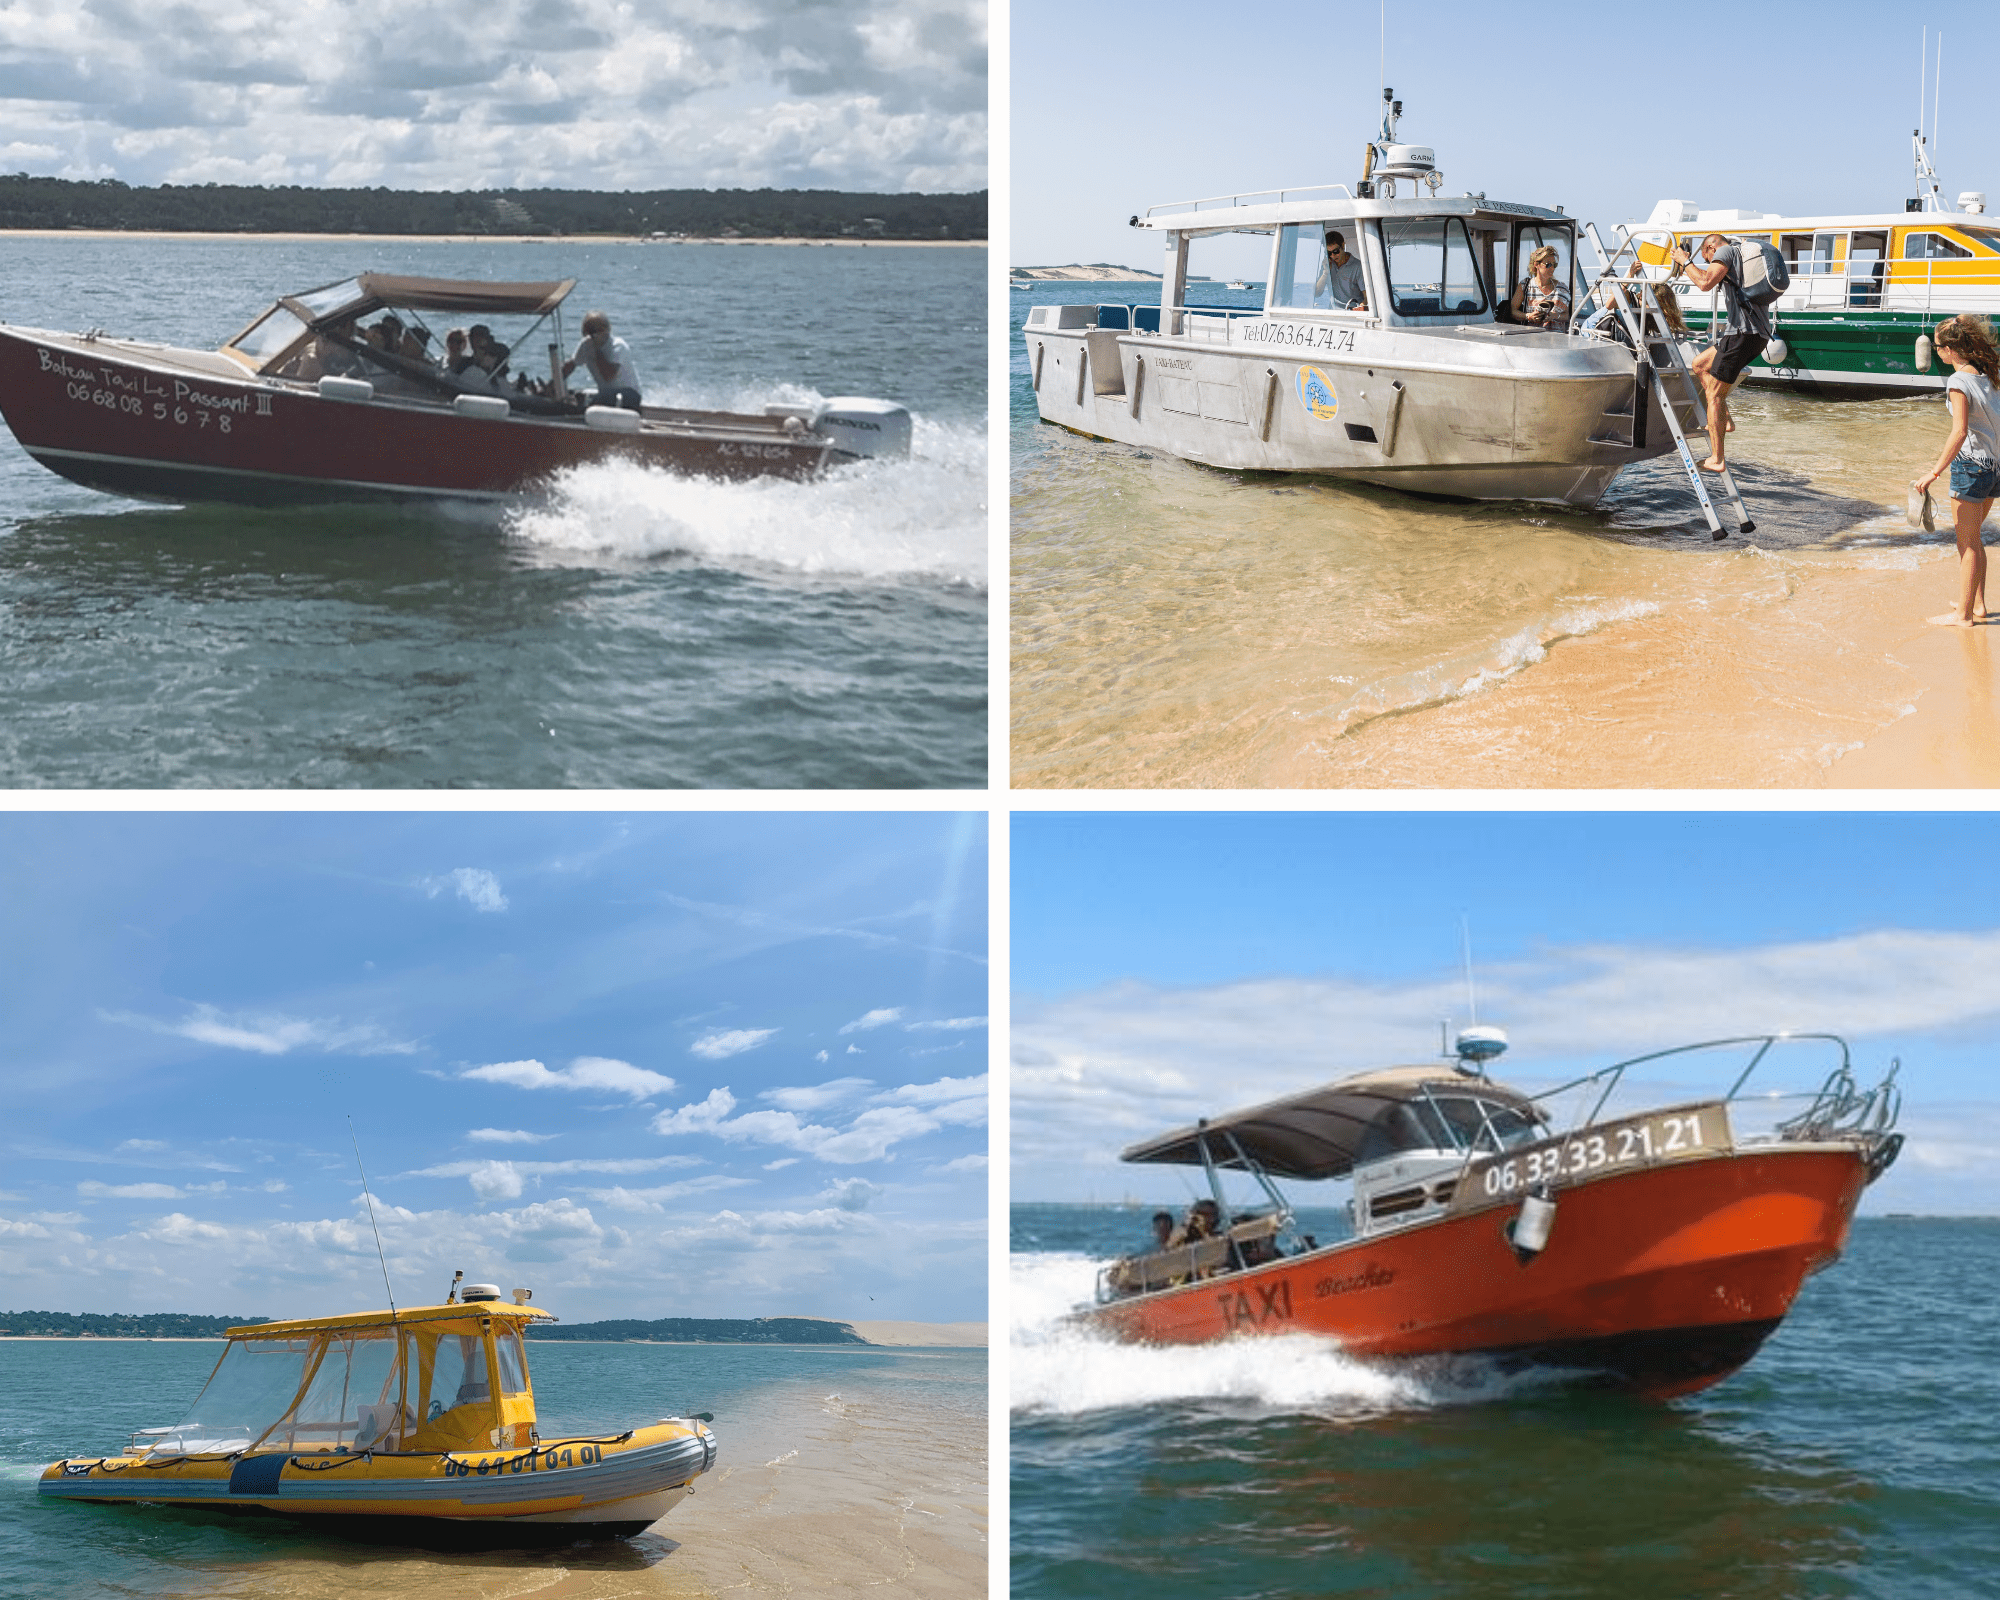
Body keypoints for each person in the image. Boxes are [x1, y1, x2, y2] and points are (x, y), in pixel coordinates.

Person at [1912, 314, 2000, 625]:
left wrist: (1933, 472)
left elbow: (1959, 431)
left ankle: (1963, 616)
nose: (1936, 352)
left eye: (1937, 347)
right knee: (1974, 538)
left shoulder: (1958, 381)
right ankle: (1977, 606)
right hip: (1994, 468)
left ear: (1950, 349)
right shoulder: (1989, 375)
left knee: (1966, 542)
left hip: (1972, 467)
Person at [1672, 232, 1770, 473]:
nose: (1708, 263)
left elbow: (1705, 282)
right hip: (1752, 334)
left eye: (1707, 259)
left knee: (1714, 396)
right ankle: (1725, 421)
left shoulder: (1724, 251)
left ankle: (1717, 458)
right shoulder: (1739, 254)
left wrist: (1685, 262)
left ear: (1709, 248)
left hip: (1742, 334)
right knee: (1699, 364)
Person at [563, 310, 644, 409]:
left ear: (607, 330)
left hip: (629, 395)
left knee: (598, 400)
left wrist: (597, 349)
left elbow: (608, 375)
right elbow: (571, 365)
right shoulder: (586, 345)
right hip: (607, 395)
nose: (592, 337)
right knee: (579, 396)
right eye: (589, 333)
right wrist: (554, 382)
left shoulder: (618, 346)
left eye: (596, 332)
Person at [1511, 244, 1570, 331]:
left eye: (1555, 265)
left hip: (1557, 340)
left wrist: (1554, 316)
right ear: (1536, 264)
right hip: (1532, 337)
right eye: (1548, 265)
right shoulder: (1525, 285)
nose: (1552, 268)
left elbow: (1567, 316)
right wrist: (1528, 316)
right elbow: (1512, 311)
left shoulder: (1562, 289)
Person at [1314, 231, 1367, 311]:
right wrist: (1325, 273)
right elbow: (1317, 293)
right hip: (1334, 313)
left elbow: (1367, 296)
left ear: (1343, 245)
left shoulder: (1358, 267)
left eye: (1335, 251)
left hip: (1353, 313)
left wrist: (1360, 308)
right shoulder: (1327, 266)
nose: (1332, 256)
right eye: (1329, 253)